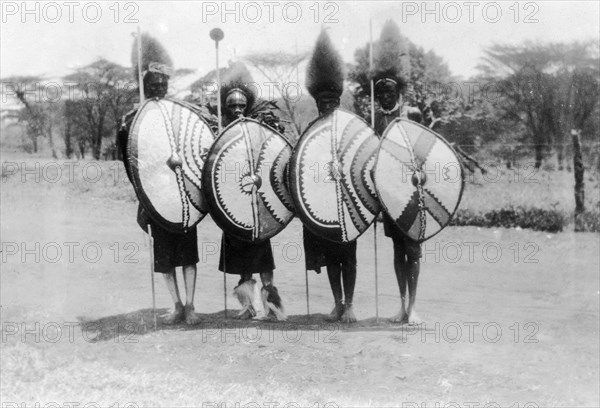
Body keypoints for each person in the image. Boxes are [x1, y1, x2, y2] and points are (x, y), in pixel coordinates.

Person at [117, 33, 200, 325]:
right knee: (165, 258)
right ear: (144, 86)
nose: (158, 89)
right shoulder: (132, 121)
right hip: (154, 197)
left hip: (183, 197)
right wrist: (144, 191)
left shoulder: (182, 114)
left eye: (162, 84)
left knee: (188, 255)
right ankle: (176, 304)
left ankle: (190, 305)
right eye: (152, 85)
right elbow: (128, 161)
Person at [216, 63, 285, 320]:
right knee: (242, 264)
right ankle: (248, 306)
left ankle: (272, 307)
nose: (237, 110)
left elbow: (269, 160)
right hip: (232, 205)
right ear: (226, 107)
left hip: (257, 205)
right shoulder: (221, 134)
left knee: (263, 259)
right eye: (232, 106)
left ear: (247, 106)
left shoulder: (259, 132)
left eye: (241, 106)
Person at [303, 30, 358, 323]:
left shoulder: (352, 130)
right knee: (331, 258)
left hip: (349, 205)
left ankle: (350, 305)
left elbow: (364, 163)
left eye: (332, 102)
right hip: (322, 205)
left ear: (338, 101)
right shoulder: (310, 131)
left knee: (348, 256)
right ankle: (337, 303)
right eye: (322, 103)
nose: (327, 107)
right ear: (316, 103)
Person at [372, 20, 423, 324]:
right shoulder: (376, 119)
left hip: (412, 194)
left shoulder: (412, 114)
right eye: (381, 93)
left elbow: (426, 152)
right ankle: (401, 304)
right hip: (389, 195)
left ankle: (413, 307)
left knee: (412, 250)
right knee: (396, 249)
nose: (385, 97)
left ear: (399, 91)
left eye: (390, 92)